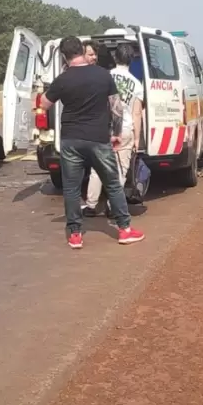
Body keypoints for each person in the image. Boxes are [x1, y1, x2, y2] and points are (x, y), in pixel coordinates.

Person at [40, 36, 145, 249]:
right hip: (98, 139)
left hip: (71, 140)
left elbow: (44, 104)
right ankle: (124, 230)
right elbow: (116, 107)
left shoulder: (63, 79)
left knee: (71, 187)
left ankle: (75, 234)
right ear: (82, 50)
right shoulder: (102, 75)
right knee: (113, 183)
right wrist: (115, 133)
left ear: (64, 56)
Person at [83, 43, 144, 217]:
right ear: (131, 60)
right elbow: (137, 113)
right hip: (125, 130)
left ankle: (91, 205)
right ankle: (112, 205)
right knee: (121, 170)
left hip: (103, 128)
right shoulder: (136, 84)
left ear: (115, 58)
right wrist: (137, 138)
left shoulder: (104, 77)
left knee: (97, 167)